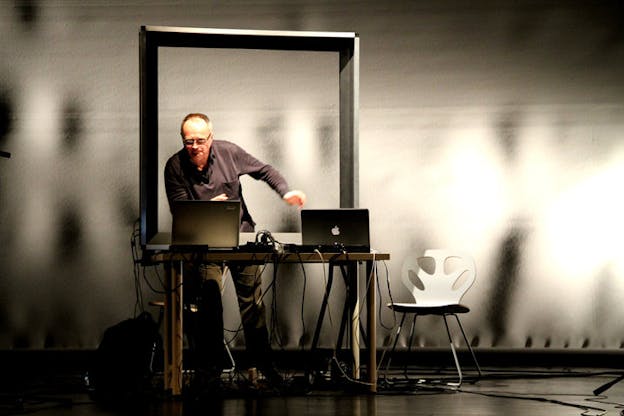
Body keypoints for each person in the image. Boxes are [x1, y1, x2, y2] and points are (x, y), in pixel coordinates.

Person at [164, 113, 306, 391]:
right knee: (209, 304)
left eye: (200, 140)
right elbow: (180, 213)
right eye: (188, 141)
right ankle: (209, 372)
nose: (194, 146)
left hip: (241, 237)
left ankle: (265, 368)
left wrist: (285, 192)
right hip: (205, 244)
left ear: (211, 138)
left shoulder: (229, 152)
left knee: (253, 305)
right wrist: (209, 209)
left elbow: (265, 170)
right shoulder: (174, 167)